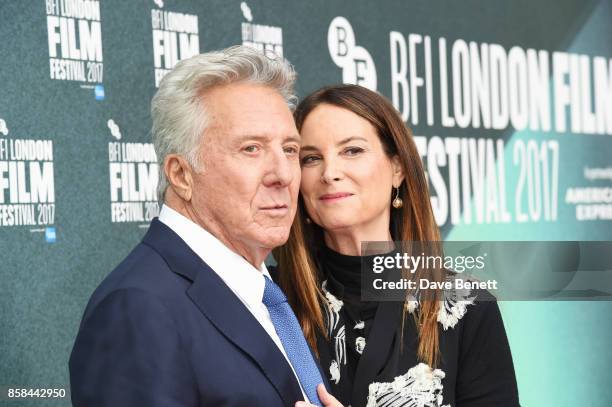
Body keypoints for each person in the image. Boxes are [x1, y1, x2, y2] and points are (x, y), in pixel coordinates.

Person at [69, 46, 338, 406]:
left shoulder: (267, 290)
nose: (282, 175)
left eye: (290, 149)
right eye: (251, 149)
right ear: (181, 174)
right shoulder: (137, 307)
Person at [275, 84, 520, 407]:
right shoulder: (269, 299)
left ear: (397, 168)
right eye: (311, 158)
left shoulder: (465, 307)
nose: (330, 173)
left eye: (352, 151)